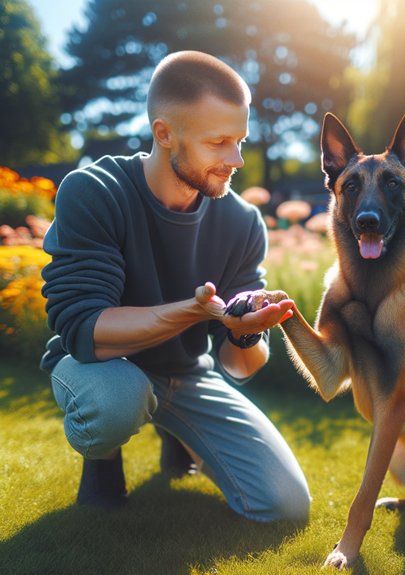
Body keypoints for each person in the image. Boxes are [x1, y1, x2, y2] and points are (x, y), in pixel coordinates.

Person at [40, 51, 311, 523]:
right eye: (219, 142)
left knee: (285, 505)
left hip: (188, 373)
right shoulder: (94, 191)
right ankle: (103, 458)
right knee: (114, 402)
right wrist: (195, 311)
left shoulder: (243, 222)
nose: (237, 160)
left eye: (241, 141)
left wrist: (245, 331)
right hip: (102, 366)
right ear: (164, 134)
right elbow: (83, 327)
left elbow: (241, 366)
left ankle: (176, 431)